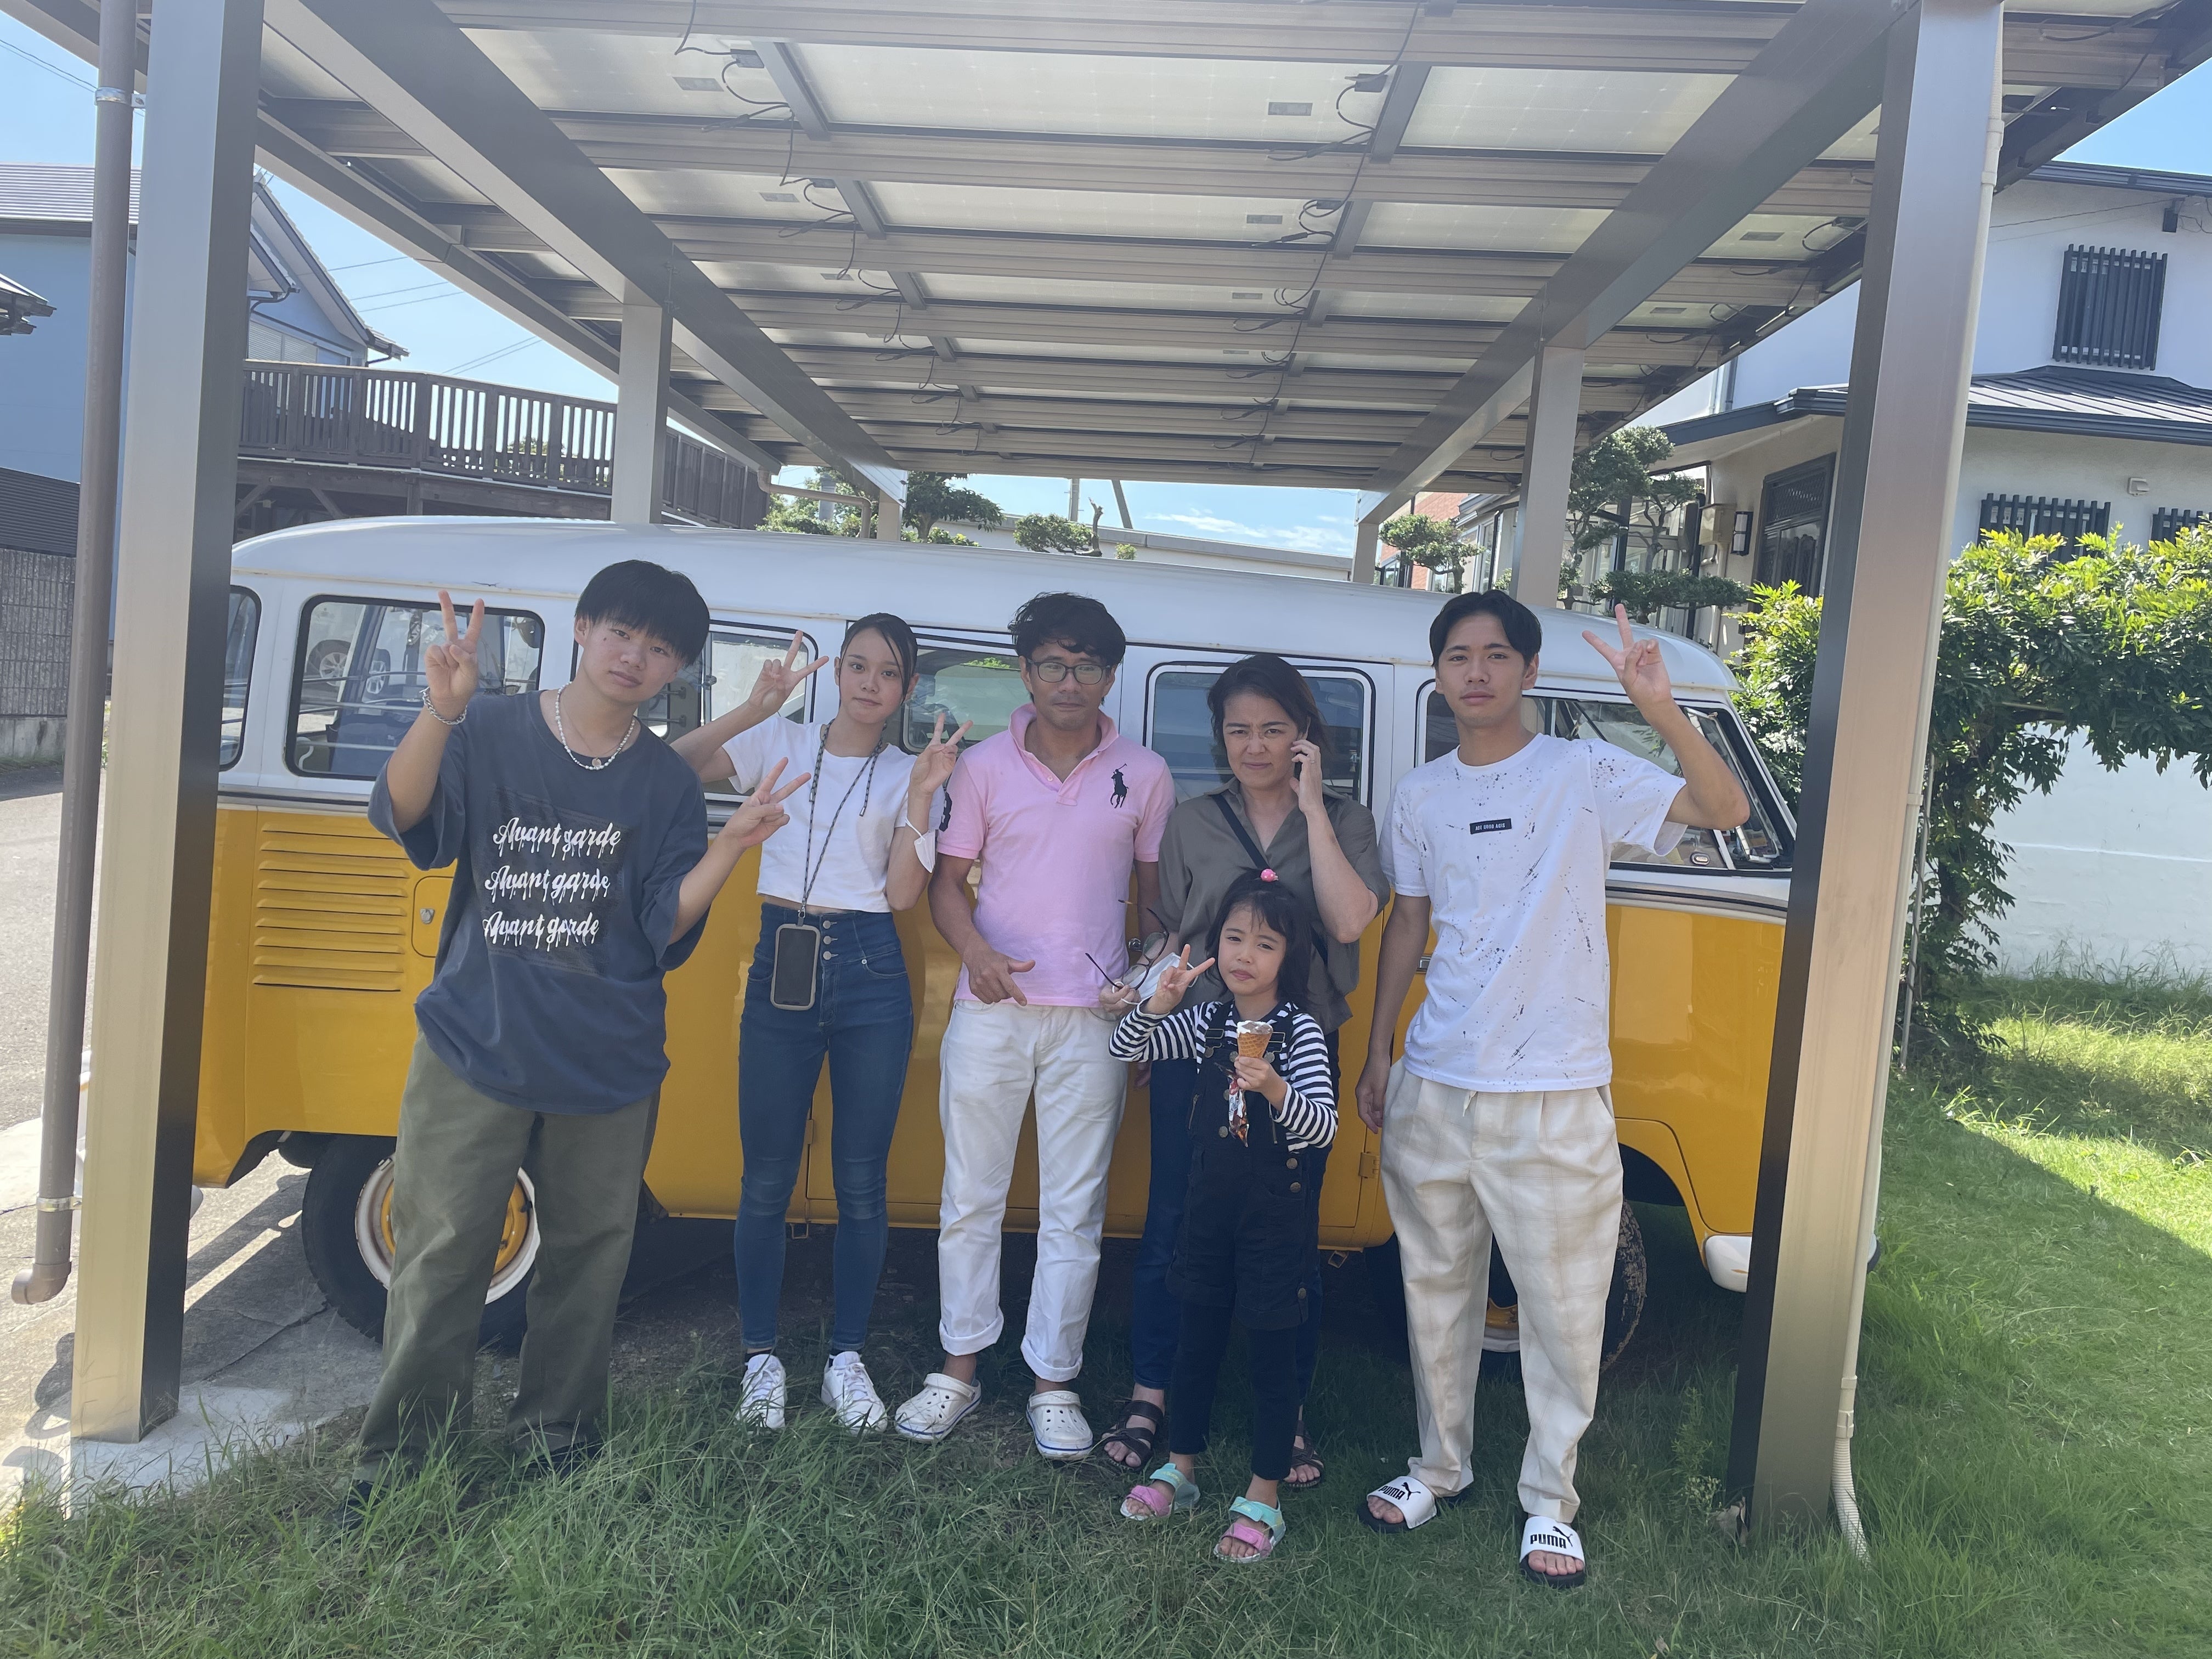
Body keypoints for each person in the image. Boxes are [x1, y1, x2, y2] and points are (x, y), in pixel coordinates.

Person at [339, 562, 804, 1523]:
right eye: (622, 633)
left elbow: (661, 925)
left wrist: (730, 846)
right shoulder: (492, 727)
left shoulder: (664, 781)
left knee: (590, 1256)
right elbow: (407, 813)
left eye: (661, 648)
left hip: (610, 1056)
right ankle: (401, 1457)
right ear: (583, 628)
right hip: (478, 1041)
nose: (636, 657)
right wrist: (440, 709)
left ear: (678, 667)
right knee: (441, 1251)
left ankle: (558, 1435)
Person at [1355, 593, 1749, 1588]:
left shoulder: (1583, 772)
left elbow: (1723, 810)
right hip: (1435, 1078)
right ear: (1438, 674)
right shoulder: (1420, 793)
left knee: (1566, 1305)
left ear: (1529, 671)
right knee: (1433, 1287)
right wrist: (1379, 1051)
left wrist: (1659, 707)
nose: (1476, 672)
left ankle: (1550, 1501)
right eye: (1458, 656)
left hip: (1556, 1087)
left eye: (1496, 655)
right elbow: (1408, 924)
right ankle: (1438, 1466)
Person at [893, 591, 1175, 1458]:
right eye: (1052, 663)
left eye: (1087, 666)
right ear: (1025, 671)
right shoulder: (982, 768)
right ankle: (959, 1369)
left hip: (1092, 1021)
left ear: (1111, 677)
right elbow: (947, 885)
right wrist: (975, 952)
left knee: (1075, 1211)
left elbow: (1154, 904)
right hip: (992, 1013)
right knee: (969, 1198)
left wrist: (1143, 990)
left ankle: (1055, 1382)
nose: (1069, 681)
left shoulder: (1145, 773)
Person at [670, 616, 966, 1434]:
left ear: (908, 688)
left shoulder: (912, 772)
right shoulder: (782, 741)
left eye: (890, 673)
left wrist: (922, 795)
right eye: (859, 666)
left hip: (871, 967)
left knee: (862, 1179)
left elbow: (902, 895)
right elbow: (674, 768)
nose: (871, 683)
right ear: (837, 673)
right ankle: (760, 1358)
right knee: (765, 1176)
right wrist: (752, 706)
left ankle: (847, 1358)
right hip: (783, 958)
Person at [1098, 654, 1385, 1492]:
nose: (1254, 745)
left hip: (1296, 1045)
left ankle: (1283, 1410)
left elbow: (1350, 920)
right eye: (1238, 730)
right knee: (1176, 1216)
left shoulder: (1345, 819)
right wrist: (1140, 993)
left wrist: (1312, 807)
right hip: (1202, 1040)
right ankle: (1153, 1395)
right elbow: (1173, 932)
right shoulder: (1193, 821)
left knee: (1286, 1229)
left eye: (1273, 729)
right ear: (1219, 737)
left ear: (1304, 735)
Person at [1108, 874, 1338, 1564]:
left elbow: (1323, 1128)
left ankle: (1264, 1495)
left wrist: (1277, 1089)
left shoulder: (1301, 1031)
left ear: (1289, 958)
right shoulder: (1206, 1020)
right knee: (1196, 1341)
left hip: (1274, 1216)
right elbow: (1126, 1049)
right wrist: (1157, 1003)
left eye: (1265, 944)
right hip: (1208, 1207)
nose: (1245, 955)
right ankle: (1181, 1467)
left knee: (1272, 1353)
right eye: (1235, 938)